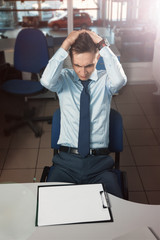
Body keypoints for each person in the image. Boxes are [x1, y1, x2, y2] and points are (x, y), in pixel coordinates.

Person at [40, 30, 127, 198]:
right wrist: (65, 44)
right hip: (66, 164)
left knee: (115, 214)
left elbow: (120, 80)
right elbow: (46, 81)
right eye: (77, 65)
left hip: (100, 166)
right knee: (52, 211)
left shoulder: (106, 81)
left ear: (97, 58)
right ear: (71, 61)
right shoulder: (63, 79)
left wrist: (102, 44)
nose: (83, 72)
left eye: (88, 65)